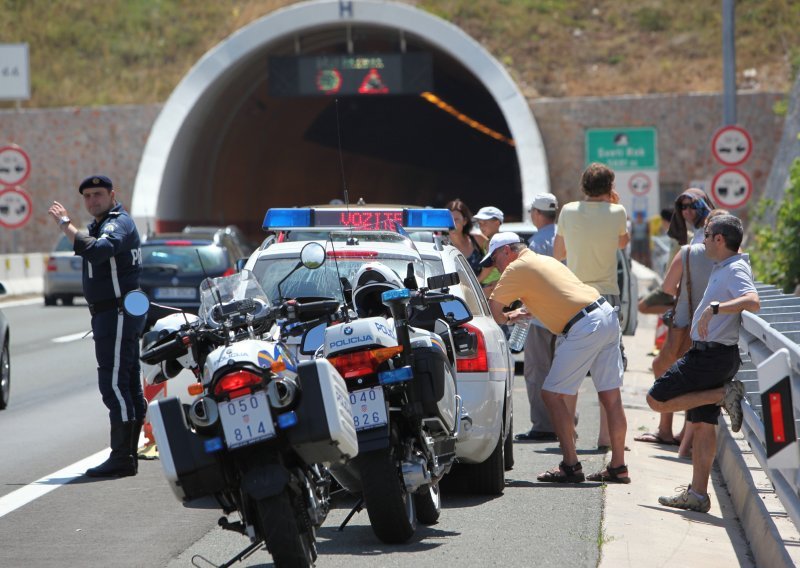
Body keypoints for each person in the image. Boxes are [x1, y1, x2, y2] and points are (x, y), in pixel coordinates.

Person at [485, 232, 629, 484]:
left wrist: (510, 317)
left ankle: (571, 465)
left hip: (585, 326)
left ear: (507, 251)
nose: (494, 265)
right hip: (604, 314)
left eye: (495, 257)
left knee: (551, 394)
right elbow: (556, 294)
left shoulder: (515, 268)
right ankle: (618, 466)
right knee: (611, 395)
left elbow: (494, 312)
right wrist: (521, 311)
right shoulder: (543, 260)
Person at [647, 214, 759, 512]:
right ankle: (698, 494)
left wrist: (717, 308)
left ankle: (723, 394)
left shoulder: (735, 268)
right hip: (712, 355)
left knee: (656, 399)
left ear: (720, 240)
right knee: (703, 424)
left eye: (707, 235)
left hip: (711, 357)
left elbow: (752, 299)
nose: (704, 240)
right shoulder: (723, 265)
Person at [47, 175, 146, 478]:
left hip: (117, 313)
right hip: (114, 313)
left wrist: (66, 224)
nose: (92, 201)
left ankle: (122, 456)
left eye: (98, 195)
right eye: (87, 196)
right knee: (127, 383)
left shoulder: (118, 222)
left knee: (114, 384)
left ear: (112, 195)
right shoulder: (101, 224)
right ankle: (127, 455)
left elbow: (100, 251)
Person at [635, 209, 729, 455]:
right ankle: (682, 441)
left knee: (662, 372)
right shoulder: (735, 260)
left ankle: (667, 431)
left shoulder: (688, 252)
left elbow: (667, 288)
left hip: (686, 325)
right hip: (720, 335)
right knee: (696, 389)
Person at [553, 163, 629, 449]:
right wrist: (614, 205)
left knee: (569, 372)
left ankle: (569, 436)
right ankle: (606, 439)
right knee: (609, 375)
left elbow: (558, 253)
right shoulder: (617, 212)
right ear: (610, 188)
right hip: (607, 298)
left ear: (584, 186)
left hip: (574, 298)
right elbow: (623, 243)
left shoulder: (569, 211)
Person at [516, 193, 560, 442]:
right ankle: (564, 423)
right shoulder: (565, 238)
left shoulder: (536, 243)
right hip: (565, 315)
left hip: (542, 315)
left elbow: (533, 281)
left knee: (537, 370)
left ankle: (544, 425)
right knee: (562, 371)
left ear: (537, 213)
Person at [446, 199, 485, 276]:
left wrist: (478, 286)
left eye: (456, 219)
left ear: (465, 221)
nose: (452, 223)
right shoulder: (442, 245)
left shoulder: (477, 239)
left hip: (483, 287)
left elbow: (494, 262)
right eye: (449, 219)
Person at [472, 206, 504, 296]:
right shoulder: (487, 241)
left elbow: (489, 267)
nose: (481, 226)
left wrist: (475, 282)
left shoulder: (495, 241)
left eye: (485, 223)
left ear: (497, 223)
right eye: (479, 223)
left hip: (492, 286)